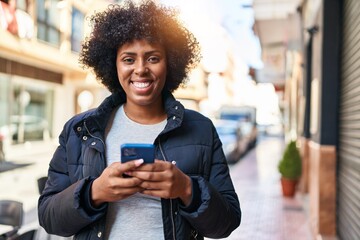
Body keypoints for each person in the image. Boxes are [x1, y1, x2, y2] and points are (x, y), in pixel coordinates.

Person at [38, 1, 241, 239]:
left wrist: (187, 189)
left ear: (170, 63)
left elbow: (227, 222)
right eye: (128, 59)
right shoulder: (81, 130)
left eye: (153, 58)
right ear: (113, 65)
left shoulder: (201, 130)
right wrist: (93, 192)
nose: (141, 69)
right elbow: (48, 217)